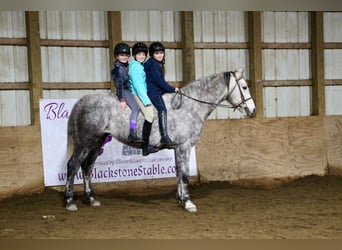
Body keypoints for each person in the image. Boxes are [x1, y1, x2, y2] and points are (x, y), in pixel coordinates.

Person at [144, 42, 179, 149]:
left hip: (156, 90)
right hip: (153, 91)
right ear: (152, 54)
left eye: (161, 53)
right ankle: (164, 136)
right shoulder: (154, 64)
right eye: (157, 53)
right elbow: (159, 81)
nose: (159, 55)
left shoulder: (154, 63)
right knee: (162, 109)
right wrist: (172, 89)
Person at [128, 42, 159, 156]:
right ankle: (145, 147)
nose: (141, 56)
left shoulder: (139, 66)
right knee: (150, 115)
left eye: (143, 54)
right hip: (137, 93)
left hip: (141, 92)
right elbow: (138, 86)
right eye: (139, 54)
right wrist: (146, 101)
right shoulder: (135, 67)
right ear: (134, 55)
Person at [111, 42, 143, 144]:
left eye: (126, 55)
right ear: (116, 56)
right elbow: (119, 85)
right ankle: (132, 132)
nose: (124, 57)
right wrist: (122, 99)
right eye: (121, 55)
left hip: (131, 89)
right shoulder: (117, 69)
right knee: (136, 107)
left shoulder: (129, 66)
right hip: (125, 90)